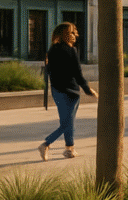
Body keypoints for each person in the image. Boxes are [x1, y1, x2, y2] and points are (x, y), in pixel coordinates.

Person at [38, 22, 96, 161]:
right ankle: (46, 144)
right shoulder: (71, 51)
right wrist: (88, 89)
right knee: (68, 123)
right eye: (71, 32)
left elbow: (50, 72)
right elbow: (78, 73)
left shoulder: (52, 51)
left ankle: (69, 149)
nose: (75, 35)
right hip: (71, 92)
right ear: (64, 35)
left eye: (75, 32)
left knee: (67, 122)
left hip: (57, 91)